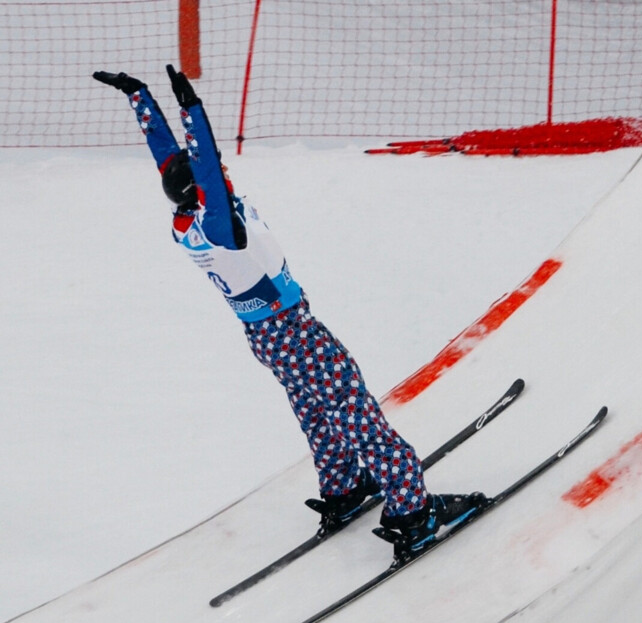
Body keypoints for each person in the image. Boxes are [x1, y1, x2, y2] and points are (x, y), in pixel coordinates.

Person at [93, 65, 486, 555]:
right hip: (294, 331)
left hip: (266, 338)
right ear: (202, 190)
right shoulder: (219, 226)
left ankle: (343, 487)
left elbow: (170, 162)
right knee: (356, 412)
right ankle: (413, 510)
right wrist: (192, 109)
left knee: (318, 411)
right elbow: (207, 165)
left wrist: (141, 98)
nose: (220, 172)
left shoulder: (186, 219)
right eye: (210, 175)